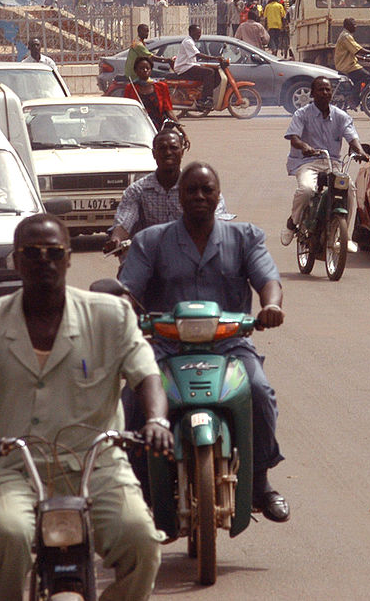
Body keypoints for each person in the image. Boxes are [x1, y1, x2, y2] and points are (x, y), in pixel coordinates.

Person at [0, 214, 170, 601]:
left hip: (97, 465)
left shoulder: (111, 315)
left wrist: (155, 420)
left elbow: (146, 375)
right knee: (9, 534)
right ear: (16, 261)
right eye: (31, 253)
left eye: (53, 252)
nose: (44, 261)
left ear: (69, 258)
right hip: (12, 469)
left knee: (141, 539)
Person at [119, 162, 289, 523]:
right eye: (191, 190)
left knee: (259, 391)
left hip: (229, 345)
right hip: (164, 345)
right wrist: (122, 309)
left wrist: (270, 305)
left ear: (218, 195)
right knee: (133, 398)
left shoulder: (245, 237)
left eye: (206, 190)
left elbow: (268, 279)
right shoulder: (151, 241)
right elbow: (127, 290)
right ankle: (136, 484)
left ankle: (260, 481)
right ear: (178, 197)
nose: (199, 197)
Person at [104, 126, 232, 251]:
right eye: (162, 148)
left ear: (182, 152)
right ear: (154, 154)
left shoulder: (201, 188)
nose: (168, 153)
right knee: (127, 270)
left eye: (174, 148)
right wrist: (116, 240)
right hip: (152, 257)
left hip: (192, 252)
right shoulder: (138, 190)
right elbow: (125, 220)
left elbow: (218, 219)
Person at [279, 77, 368, 247]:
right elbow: (294, 138)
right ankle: (292, 223)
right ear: (312, 93)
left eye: (328, 89)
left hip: (332, 164)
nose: (325, 93)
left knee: (349, 191)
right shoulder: (302, 114)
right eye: (321, 89)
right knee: (306, 190)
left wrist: (361, 152)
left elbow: (352, 138)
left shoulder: (341, 116)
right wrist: (305, 146)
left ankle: (345, 236)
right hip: (307, 163)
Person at [171, 24, 221, 106]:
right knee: (210, 72)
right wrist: (215, 58)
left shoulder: (191, 42)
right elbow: (198, 54)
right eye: (197, 33)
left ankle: (203, 93)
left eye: (200, 33)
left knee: (215, 72)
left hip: (189, 66)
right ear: (191, 32)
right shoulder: (188, 42)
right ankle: (205, 99)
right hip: (184, 68)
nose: (199, 35)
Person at [121, 55, 173, 129]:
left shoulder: (161, 86)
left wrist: (182, 132)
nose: (145, 70)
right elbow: (126, 111)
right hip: (138, 127)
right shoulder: (131, 88)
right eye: (141, 68)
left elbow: (168, 110)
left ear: (151, 70)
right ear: (136, 71)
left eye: (147, 68)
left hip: (158, 128)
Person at [334, 17, 370, 92]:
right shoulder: (346, 36)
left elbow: (353, 53)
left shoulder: (346, 35)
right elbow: (359, 50)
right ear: (347, 26)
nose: (355, 26)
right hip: (347, 67)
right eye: (353, 25)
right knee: (367, 77)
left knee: (359, 81)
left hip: (348, 65)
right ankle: (354, 97)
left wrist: (367, 59)